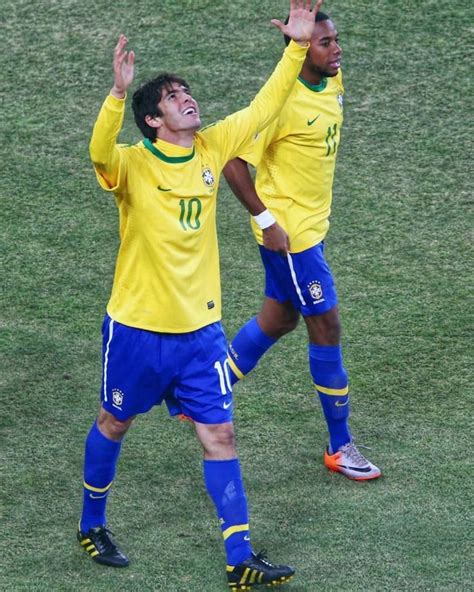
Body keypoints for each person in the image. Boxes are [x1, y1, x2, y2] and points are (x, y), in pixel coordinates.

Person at [77, 1, 323, 589]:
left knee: (221, 435)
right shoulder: (134, 163)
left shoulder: (212, 147)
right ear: (155, 120)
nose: (186, 98)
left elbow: (264, 106)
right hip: (136, 329)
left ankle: (240, 560)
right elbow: (98, 154)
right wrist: (118, 94)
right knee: (114, 422)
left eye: (186, 91)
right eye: (172, 97)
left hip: (200, 335)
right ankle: (92, 524)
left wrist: (295, 46)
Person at [224, 10, 382, 481]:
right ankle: (340, 445)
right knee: (326, 325)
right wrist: (267, 220)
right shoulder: (282, 103)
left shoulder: (331, 78)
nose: (336, 50)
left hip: (310, 228)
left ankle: (207, 389)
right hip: (291, 237)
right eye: (325, 44)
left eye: (336, 40)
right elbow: (233, 162)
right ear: (301, 51)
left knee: (279, 317)